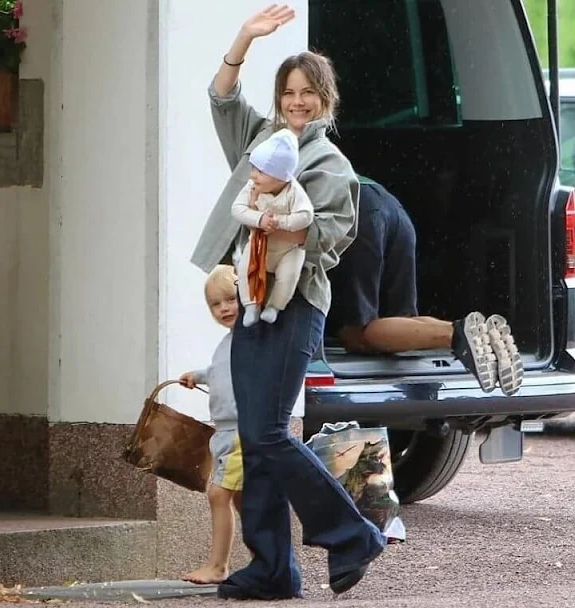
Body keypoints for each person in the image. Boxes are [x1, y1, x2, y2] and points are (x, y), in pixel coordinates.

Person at [190, 5, 386, 601]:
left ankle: (352, 534)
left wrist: (285, 228)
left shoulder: (331, 164)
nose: (297, 102)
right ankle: (272, 568)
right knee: (255, 438)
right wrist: (244, 39)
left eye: (308, 93)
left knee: (270, 433)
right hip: (253, 304)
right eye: (289, 92)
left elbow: (333, 235)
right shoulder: (261, 141)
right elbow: (222, 99)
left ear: (325, 100)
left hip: (294, 305)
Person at [326, 176, 524, 397]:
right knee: (403, 323)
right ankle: (475, 333)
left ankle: (457, 335)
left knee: (355, 334)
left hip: (355, 211)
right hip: (391, 206)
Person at [178, 265, 243, 585]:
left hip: (240, 432)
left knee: (218, 494)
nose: (224, 309)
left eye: (231, 299)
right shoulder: (227, 344)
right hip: (226, 430)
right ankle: (267, 558)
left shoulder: (251, 336)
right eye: (216, 304)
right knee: (242, 498)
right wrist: (198, 375)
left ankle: (218, 566)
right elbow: (221, 371)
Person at [231, 128, 314, 326]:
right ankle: (251, 305)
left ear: (280, 177)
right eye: (253, 169)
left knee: (288, 277)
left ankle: (274, 307)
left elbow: (306, 216)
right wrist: (259, 219)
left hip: (288, 250)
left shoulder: (294, 191)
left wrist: (280, 222)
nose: (253, 176)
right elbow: (237, 209)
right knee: (245, 269)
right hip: (260, 245)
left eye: (260, 171)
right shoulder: (252, 187)